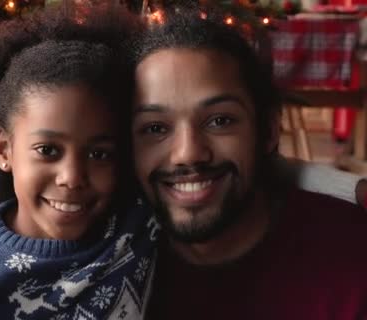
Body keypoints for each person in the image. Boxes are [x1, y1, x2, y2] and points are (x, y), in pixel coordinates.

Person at [0, 5, 159, 319]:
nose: (72, 177)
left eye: (99, 154)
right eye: (48, 150)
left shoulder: (138, 225)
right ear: (4, 150)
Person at [130, 11, 367, 318]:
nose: (188, 153)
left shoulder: (352, 255)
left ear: (268, 130)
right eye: (155, 128)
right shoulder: (109, 264)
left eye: (219, 121)